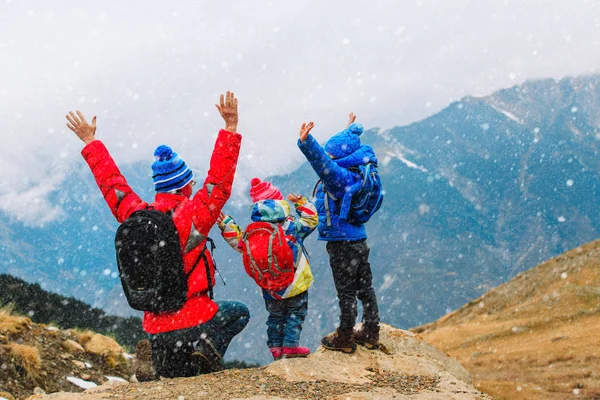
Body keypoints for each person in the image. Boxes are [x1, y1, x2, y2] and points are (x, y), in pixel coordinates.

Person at [65, 92, 249, 379]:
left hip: (154, 321)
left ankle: (156, 355)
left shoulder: (136, 215)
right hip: (195, 317)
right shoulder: (196, 214)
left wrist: (91, 143)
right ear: (185, 185)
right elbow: (219, 181)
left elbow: (112, 185)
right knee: (238, 312)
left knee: (171, 372)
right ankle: (207, 347)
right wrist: (230, 128)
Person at [296, 113, 380, 353]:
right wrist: (348, 130)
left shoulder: (339, 178)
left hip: (341, 243)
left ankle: (345, 336)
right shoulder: (355, 172)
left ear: (340, 157)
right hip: (359, 239)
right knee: (365, 287)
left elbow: (323, 163)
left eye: (333, 154)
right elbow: (336, 155)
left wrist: (306, 143)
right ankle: (371, 330)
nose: (330, 157)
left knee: (346, 292)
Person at [217, 178, 318, 360]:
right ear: (280, 204)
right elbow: (311, 220)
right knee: (296, 313)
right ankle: (290, 346)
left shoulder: (253, 233)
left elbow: (238, 243)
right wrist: (301, 203)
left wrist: (226, 224)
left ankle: (275, 347)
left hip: (270, 285)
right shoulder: (291, 227)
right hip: (295, 283)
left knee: (275, 316)